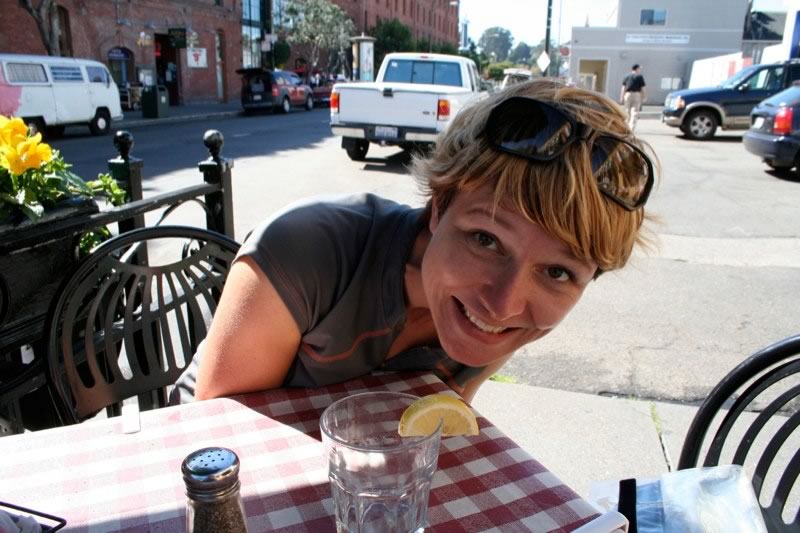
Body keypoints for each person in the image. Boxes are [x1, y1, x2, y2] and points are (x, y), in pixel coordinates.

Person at [172, 79, 657, 405]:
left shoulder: (501, 319)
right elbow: (220, 441)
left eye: (558, 272)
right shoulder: (307, 248)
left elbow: (437, 423)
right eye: (486, 240)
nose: (503, 304)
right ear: (440, 206)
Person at [620, 64, 647, 130]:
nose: (639, 70)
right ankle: (631, 128)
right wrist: (644, 96)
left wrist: (621, 97)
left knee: (627, 111)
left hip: (627, 94)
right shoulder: (640, 77)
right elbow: (643, 88)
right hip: (636, 94)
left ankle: (625, 127)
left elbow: (623, 88)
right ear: (637, 69)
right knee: (634, 112)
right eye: (639, 69)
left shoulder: (627, 76)